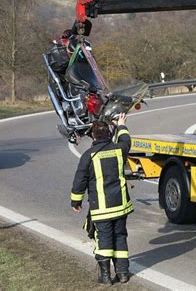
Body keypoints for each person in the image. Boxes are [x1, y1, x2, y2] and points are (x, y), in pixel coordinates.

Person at [70, 113, 133, 285]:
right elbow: (126, 141)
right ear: (108, 134)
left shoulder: (88, 156)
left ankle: (105, 276)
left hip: (102, 209)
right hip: (121, 207)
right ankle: (123, 274)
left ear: (93, 136)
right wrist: (121, 125)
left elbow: (79, 181)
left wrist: (76, 202)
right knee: (120, 237)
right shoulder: (119, 150)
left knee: (104, 240)